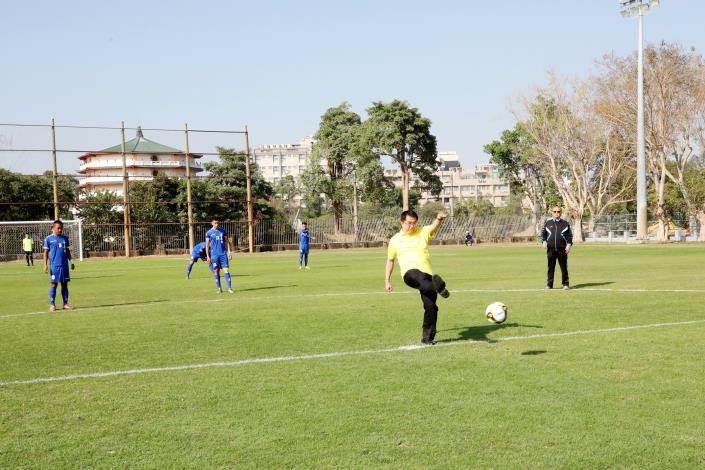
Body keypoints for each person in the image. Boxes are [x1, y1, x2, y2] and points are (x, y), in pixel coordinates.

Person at [385, 210, 450, 345]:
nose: (412, 226)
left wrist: (439, 219)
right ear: (402, 222)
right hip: (410, 274)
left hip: (428, 276)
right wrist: (387, 280)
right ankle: (440, 287)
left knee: (431, 307)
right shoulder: (395, 240)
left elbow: (433, 227)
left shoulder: (422, 232)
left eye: (414, 223)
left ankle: (427, 339)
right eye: (409, 223)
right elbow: (390, 260)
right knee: (420, 278)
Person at [43, 220, 74, 312]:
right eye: (58, 228)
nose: (60, 230)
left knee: (64, 284)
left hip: (64, 265)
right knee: (53, 284)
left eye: (61, 228)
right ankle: (52, 304)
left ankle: (65, 303)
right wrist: (45, 265)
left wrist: (71, 262)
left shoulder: (65, 238)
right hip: (54, 266)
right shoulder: (48, 239)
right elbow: (45, 253)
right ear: (53, 228)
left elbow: (67, 251)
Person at [541, 206, 573, 290]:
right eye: (554, 211)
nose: (556, 213)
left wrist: (569, 245)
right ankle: (549, 285)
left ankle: (565, 284)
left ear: (561, 213)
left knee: (564, 267)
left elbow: (570, 236)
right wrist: (544, 241)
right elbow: (543, 234)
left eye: (558, 211)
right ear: (552, 212)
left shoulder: (565, 223)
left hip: (562, 249)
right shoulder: (548, 223)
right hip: (551, 249)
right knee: (550, 268)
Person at [205, 219, 234, 294]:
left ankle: (229, 288)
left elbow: (227, 242)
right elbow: (207, 245)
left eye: (218, 223)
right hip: (214, 255)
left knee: (226, 270)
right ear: (212, 223)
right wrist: (208, 256)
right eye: (215, 223)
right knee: (216, 271)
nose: (217, 224)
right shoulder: (209, 233)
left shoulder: (223, 231)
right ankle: (219, 288)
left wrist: (229, 252)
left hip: (223, 254)